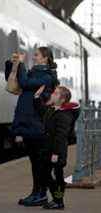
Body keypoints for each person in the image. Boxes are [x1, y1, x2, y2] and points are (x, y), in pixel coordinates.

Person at [5, 47, 59, 206]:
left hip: (38, 125)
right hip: (30, 124)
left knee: (40, 164)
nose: (33, 57)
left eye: (36, 55)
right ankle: (36, 193)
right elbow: (14, 80)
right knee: (35, 162)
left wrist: (21, 65)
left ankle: (43, 195)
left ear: (45, 59)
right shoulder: (35, 73)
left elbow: (24, 83)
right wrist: (12, 64)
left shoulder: (47, 77)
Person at [34, 85, 80, 210]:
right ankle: (56, 199)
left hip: (56, 151)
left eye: (56, 93)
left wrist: (56, 153)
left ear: (62, 98)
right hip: (49, 149)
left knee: (58, 176)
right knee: (45, 174)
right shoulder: (53, 110)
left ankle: (59, 201)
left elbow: (61, 136)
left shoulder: (64, 115)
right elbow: (41, 110)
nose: (52, 94)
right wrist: (37, 96)